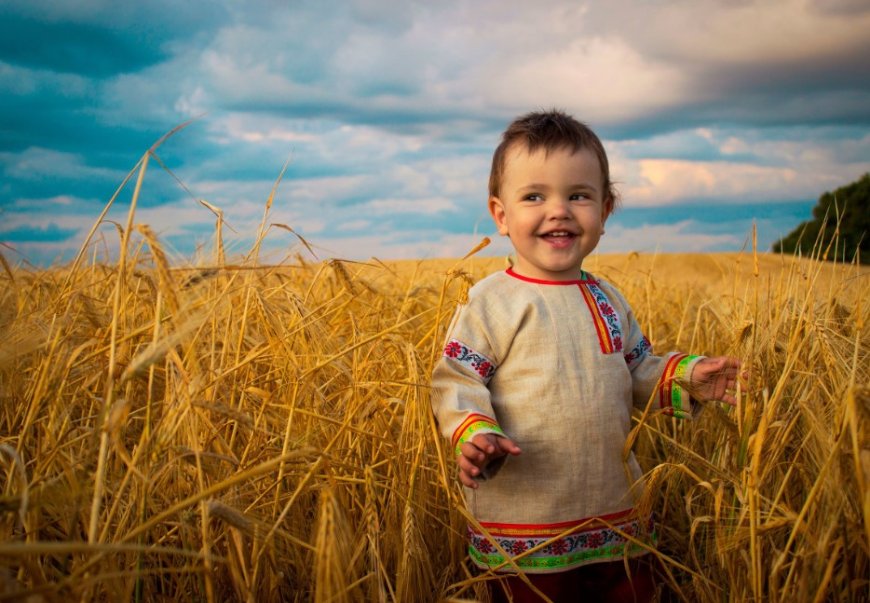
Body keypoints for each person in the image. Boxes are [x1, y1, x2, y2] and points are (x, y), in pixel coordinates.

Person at [430, 110, 741, 603]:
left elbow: (638, 369)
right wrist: (476, 432)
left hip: (615, 513)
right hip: (525, 527)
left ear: (605, 209)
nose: (559, 210)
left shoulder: (609, 298)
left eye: (578, 195)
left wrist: (687, 376)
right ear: (501, 214)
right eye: (534, 196)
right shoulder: (492, 301)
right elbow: (457, 377)